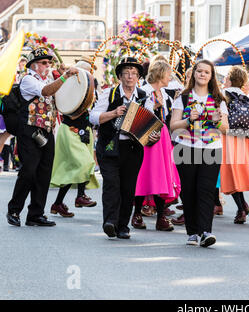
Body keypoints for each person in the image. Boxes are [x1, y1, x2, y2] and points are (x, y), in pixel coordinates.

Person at [6, 48, 79, 227]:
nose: (49, 66)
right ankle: (14, 210)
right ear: (34, 65)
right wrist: (63, 77)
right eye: (45, 63)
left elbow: (65, 97)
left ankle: (36, 214)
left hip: (47, 131)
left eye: (49, 62)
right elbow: (46, 92)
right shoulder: (29, 80)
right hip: (29, 131)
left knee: (44, 174)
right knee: (29, 171)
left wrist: (64, 77)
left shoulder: (50, 79)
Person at [89, 57, 159, 239]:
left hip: (133, 148)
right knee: (112, 184)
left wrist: (153, 136)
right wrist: (113, 113)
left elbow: (150, 125)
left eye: (134, 73)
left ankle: (123, 226)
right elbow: (93, 117)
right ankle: (110, 222)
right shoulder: (110, 94)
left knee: (128, 188)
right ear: (120, 76)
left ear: (138, 77)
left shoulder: (144, 97)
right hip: (110, 145)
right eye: (126, 73)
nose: (130, 77)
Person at [170, 59, 229, 247]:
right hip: (186, 147)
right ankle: (192, 232)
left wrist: (217, 120)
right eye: (200, 71)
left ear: (211, 77)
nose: (203, 75)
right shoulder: (183, 98)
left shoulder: (219, 99)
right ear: (194, 74)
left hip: (211, 148)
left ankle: (205, 232)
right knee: (189, 191)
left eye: (207, 72)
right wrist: (188, 120)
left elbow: (225, 129)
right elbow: (173, 126)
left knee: (206, 190)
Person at [131, 61, 181, 231]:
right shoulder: (143, 91)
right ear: (160, 74)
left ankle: (161, 216)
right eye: (168, 74)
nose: (170, 77)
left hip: (162, 136)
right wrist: (153, 107)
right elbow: (137, 115)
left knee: (162, 176)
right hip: (145, 135)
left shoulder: (165, 94)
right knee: (143, 175)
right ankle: (136, 213)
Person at [49, 59, 99, 218]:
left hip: (85, 130)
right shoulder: (66, 85)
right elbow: (67, 108)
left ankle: (58, 204)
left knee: (74, 169)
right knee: (85, 163)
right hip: (70, 129)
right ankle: (80, 195)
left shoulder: (91, 87)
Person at [220, 66, 249, 224]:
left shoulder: (224, 95)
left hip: (228, 137)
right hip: (243, 137)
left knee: (231, 174)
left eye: (227, 77)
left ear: (230, 78)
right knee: (237, 173)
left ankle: (241, 208)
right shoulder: (246, 97)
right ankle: (242, 205)